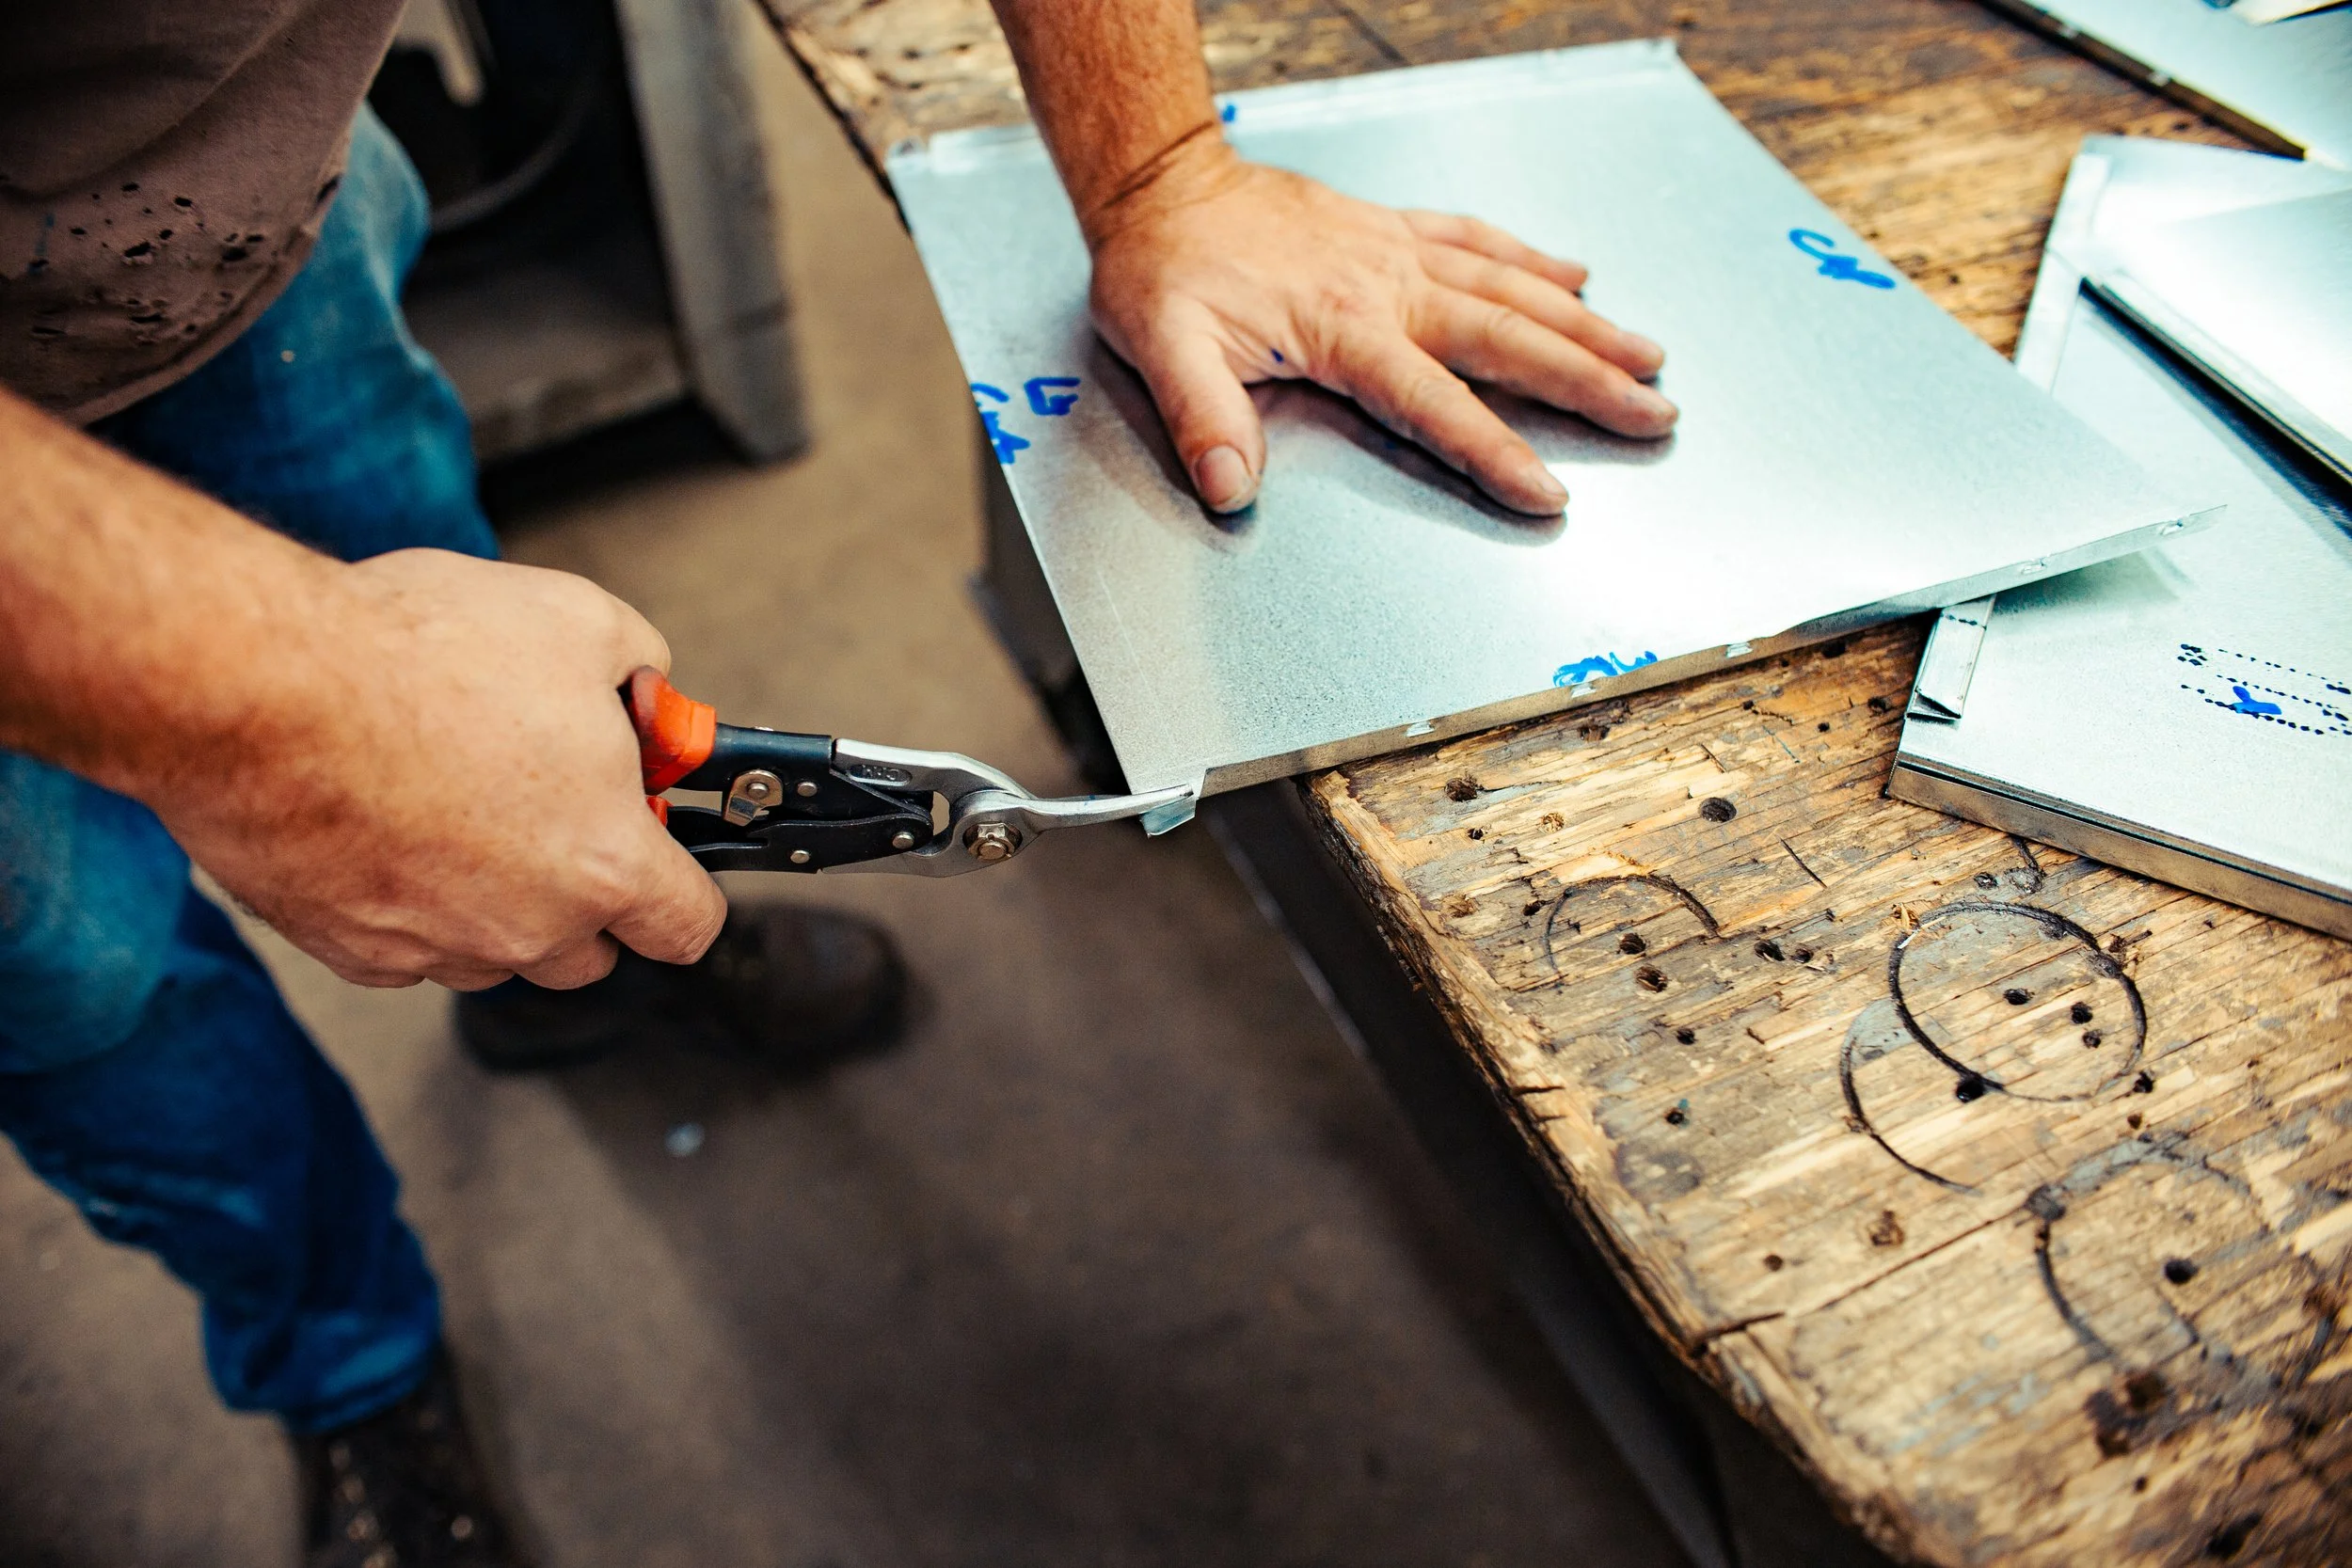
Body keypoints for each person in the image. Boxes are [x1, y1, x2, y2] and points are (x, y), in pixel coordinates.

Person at [0, 2, 1674, 1562]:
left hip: (240, 207)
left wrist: (1164, 167)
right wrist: (284, 702)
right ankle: (347, 1366)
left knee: (443, 599)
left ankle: (572, 962)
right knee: (82, 976)